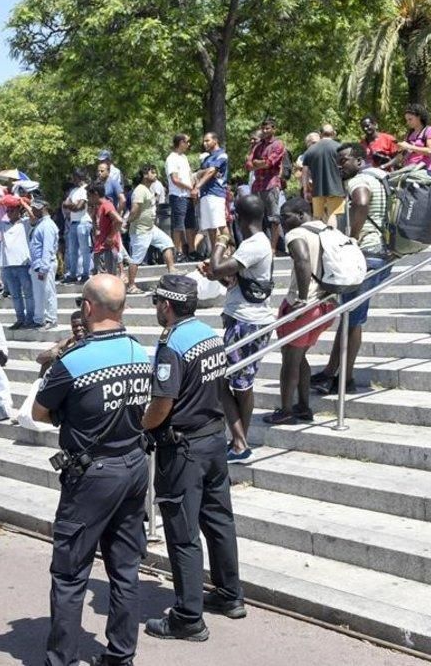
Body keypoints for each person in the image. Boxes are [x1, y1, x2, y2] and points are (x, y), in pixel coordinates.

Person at [30, 274, 151, 666]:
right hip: (133, 466)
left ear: (86, 308)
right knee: (125, 568)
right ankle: (121, 655)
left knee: (69, 573)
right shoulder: (139, 351)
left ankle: (61, 659)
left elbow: (39, 411)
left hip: (92, 477)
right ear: (123, 309)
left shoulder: (74, 361)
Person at [141, 274, 245, 642]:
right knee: (219, 521)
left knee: (183, 533)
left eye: (157, 303)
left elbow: (162, 403)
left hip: (183, 449)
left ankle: (188, 617)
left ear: (166, 306)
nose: (156, 309)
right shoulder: (209, 335)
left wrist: (143, 426)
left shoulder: (172, 344)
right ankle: (230, 595)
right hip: (213, 442)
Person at [310, 142, 392, 395]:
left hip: (367, 254)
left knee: (351, 319)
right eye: (338, 161)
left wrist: (352, 239)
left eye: (343, 160)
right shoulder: (377, 177)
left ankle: (344, 378)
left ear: (359, 160)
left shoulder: (359, 181)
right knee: (350, 318)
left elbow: (361, 201)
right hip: (379, 254)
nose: (339, 165)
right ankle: (334, 373)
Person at [202, 195, 275, 462]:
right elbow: (233, 280)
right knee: (239, 384)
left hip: (247, 322)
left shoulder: (254, 244)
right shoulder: (256, 243)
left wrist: (219, 242)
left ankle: (240, 443)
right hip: (245, 317)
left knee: (224, 382)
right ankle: (239, 441)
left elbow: (219, 266)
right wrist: (216, 276)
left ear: (239, 218)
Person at [264, 199, 335, 424]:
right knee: (300, 356)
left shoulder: (297, 234)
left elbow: (303, 261)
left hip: (306, 306)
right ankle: (303, 406)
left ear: (302, 215)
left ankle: (286, 411)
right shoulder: (327, 230)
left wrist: (302, 299)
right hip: (327, 304)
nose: (282, 223)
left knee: (290, 360)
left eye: (286, 217)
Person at [124, 164, 178, 295]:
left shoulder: (148, 189)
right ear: (144, 175)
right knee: (136, 259)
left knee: (167, 243)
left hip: (151, 228)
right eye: (152, 172)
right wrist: (127, 222)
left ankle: (172, 271)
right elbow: (135, 209)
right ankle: (131, 286)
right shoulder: (140, 190)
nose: (155, 174)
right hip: (140, 230)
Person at [0, 194, 36, 329]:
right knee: (15, 295)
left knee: (28, 293)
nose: (9, 213)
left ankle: (30, 318)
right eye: (8, 211)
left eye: (12, 210)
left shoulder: (25, 223)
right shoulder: (3, 225)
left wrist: (23, 204)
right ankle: (20, 318)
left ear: (18, 211)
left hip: (23, 264)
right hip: (7, 265)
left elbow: (34, 217)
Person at [246, 117, 288, 254]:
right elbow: (248, 165)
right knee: (257, 218)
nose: (264, 131)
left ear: (274, 129)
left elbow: (270, 162)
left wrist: (258, 163)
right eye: (263, 128)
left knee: (274, 218)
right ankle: (260, 247)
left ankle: (273, 248)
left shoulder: (278, 144)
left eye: (267, 128)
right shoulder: (258, 145)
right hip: (257, 186)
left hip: (271, 184)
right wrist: (259, 163)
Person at [301, 124, 346, 229]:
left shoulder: (310, 150)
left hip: (317, 190)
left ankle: (316, 241)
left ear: (320, 134)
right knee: (332, 215)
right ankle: (331, 240)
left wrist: (305, 189)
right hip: (336, 188)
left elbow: (305, 172)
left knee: (317, 217)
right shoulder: (340, 148)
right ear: (333, 133)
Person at [167, 133, 200, 261]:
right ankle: (178, 252)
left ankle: (192, 251)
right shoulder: (172, 158)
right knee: (178, 225)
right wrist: (189, 188)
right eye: (187, 142)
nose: (188, 144)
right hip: (178, 196)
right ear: (181, 142)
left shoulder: (184, 158)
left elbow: (190, 175)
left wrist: (194, 187)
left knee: (190, 224)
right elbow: (175, 179)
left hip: (188, 196)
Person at [193, 132, 230, 245]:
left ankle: (227, 250)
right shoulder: (206, 158)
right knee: (209, 226)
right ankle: (215, 253)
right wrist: (205, 171)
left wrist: (197, 186)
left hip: (216, 193)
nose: (205, 143)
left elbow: (211, 171)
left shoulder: (222, 155)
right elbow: (201, 173)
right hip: (205, 194)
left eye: (207, 140)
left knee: (220, 224)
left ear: (215, 140)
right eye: (204, 141)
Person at [63, 169, 93, 283]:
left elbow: (79, 207)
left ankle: (86, 273)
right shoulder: (73, 191)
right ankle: (73, 274)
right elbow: (65, 204)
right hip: (73, 223)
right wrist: (72, 205)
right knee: (72, 250)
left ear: (79, 177)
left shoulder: (85, 190)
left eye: (74, 177)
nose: (73, 180)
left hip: (83, 222)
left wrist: (70, 205)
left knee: (85, 249)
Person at [89, 183, 124, 277]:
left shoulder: (106, 205)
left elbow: (119, 220)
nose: (88, 199)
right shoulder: (99, 207)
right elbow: (97, 228)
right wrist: (92, 216)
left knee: (109, 279)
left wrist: (110, 236)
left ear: (95, 194)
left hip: (107, 249)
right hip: (101, 248)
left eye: (89, 196)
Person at [398, 104, 431, 173]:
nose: (408, 122)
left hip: (423, 171)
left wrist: (409, 147)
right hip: (408, 170)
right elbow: (402, 155)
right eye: (407, 120)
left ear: (419, 117)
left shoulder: (429, 130)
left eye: (410, 119)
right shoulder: (410, 134)